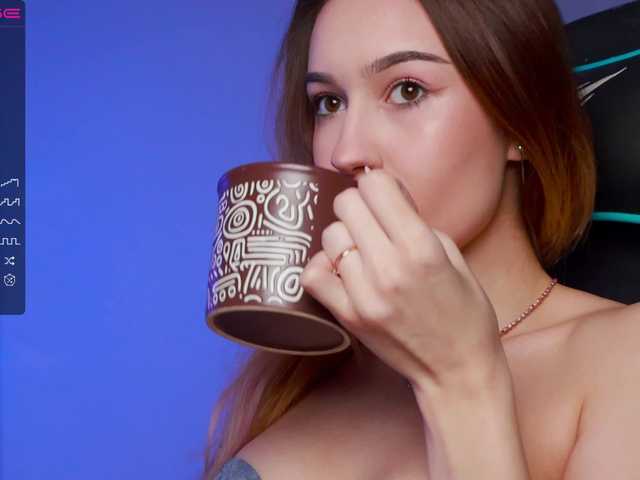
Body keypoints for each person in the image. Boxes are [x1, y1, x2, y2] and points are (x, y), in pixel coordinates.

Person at [203, 0, 640, 478]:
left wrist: (460, 379)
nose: (346, 151)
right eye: (329, 102)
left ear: (519, 121)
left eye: (407, 90)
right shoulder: (299, 372)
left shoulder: (623, 358)